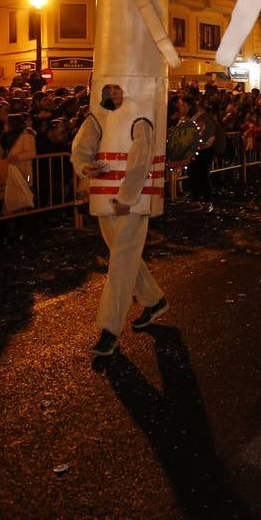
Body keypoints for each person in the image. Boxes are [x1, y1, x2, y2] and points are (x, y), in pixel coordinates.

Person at [71, 83, 168, 357]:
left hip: (132, 203)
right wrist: (83, 166)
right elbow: (81, 148)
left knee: (120, 261)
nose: (114, 94)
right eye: (109, 88)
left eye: (118, 88)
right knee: (123, 256)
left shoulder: (141, 118)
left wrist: (127, 197)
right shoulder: (96, 117)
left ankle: (109, 329)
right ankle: (154, 299)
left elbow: (141, 159)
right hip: (104, 198)